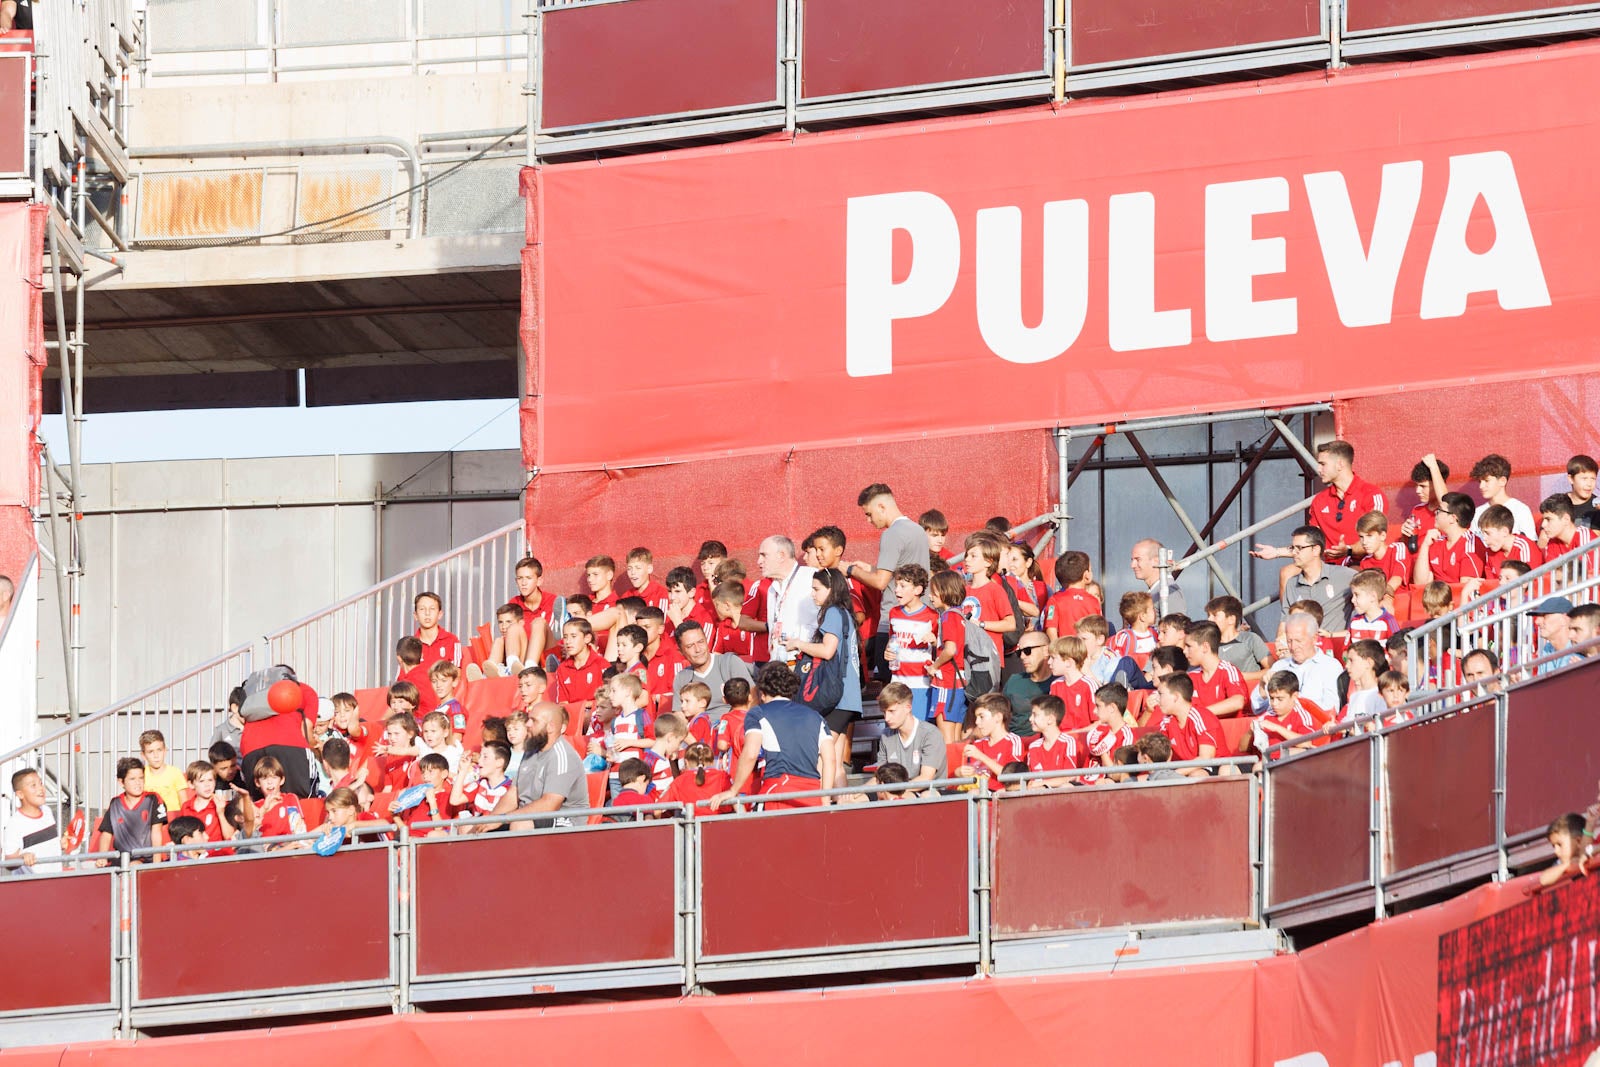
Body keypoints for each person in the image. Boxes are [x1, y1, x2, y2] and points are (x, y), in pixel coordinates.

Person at [710, 663, 837, 810]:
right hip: (813, 793)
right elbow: (830, 759)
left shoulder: (758, 713)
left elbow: (751, 754)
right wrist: (825, 798)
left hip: (779, 791)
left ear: (762, 693)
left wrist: (733, 790)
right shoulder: (816, 716)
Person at [845, 483, 931, 682]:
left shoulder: (891, 534)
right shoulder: (917, 530)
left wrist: (851, 570)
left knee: (891, 689)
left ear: (881, 507)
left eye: (869, 514)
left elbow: (881, 582)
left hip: (894, 623)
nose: (869, 520)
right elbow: (905, 572)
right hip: (921, 619)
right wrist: (870, 568)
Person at [784, 567, 863, 770]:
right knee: (835, 763)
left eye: (816, 589)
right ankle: (842, 801)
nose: (812, 594)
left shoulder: (833, 612)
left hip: (837, 695)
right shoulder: (844, 612)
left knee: (820, 757)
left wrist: (798, 644)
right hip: (848, 696)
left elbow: (828, 651)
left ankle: (821, 800)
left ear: (831, 589)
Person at [509, 702, 589, 830]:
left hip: (565, 821)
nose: (527, 724)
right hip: (527, 816)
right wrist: (491, 819)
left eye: (533, 721)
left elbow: (550, 804)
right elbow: (513, 794)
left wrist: (507, 818)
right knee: (469, 827)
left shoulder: (563, 756)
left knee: (520, 825)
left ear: (550, 727)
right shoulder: (531, 750)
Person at [1263, 527, 1355, 635]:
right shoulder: (1292, 584)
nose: (1294, 552)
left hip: (1334, 648)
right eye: (1293, 548)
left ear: (1316, 550)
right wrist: (1280, 643)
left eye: (1299, 548)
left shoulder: (1345, 576)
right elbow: (1285, 623)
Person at [1253, 612, 1343, 714]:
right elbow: (1257, 708)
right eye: (1289, 641)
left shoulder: (1330, 666)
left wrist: (1292, 705)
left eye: (1299, 641)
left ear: (1314, 639)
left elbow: (1331, 709)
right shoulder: (1280, 666)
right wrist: (1262, 687)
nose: (1293, 646)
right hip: (1275, 724)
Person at [670, 620, 755, 720]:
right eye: (690, 646)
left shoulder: (729, 663)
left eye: (701, 642)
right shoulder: (682, 678)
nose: (698, 649)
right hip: (699, 731)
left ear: (707, 640)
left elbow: (753, 699)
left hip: (733, 726)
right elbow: (679, 716)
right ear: (681, 652)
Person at [883, 563, 936, 720]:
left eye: (903, 585)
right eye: (896, 585)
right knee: (896, 728)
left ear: (918, 590)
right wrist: (887, 652)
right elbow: (892, 640)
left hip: (921, 683)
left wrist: (934, 641)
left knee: (919, 729)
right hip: (898, 682)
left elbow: (942, 648)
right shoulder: (894, 613)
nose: (897, 590)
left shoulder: (932, 616)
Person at [92, 758, 169, 862]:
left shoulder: (153, 800)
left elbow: (157, 832)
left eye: (141, 778)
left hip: (145, 859)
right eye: (132, 779)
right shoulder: (115, 803)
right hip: (121, 859)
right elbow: (106, 833)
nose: (138, 783)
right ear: (121, 782)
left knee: (133, 867)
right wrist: (102, 858)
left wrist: (155, 865)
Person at [875, 681, 947, 788]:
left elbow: (926, 778)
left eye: (891, 711)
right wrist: (857, 793)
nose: (886, 718)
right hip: (893, 791)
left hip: (928, 792)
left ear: (908, 708)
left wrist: (893, 792)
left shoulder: (930, 734)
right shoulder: (886, 735)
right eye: (884, 712)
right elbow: (879, 778)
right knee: (854, 801)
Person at [960, 534, 1017, 666]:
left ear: (988, 562)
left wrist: (981, 624)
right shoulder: (963, 590)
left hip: (988, 659)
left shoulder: (995, 590)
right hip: (966, 658)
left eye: (973, 556)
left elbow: (1010, 624)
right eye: (966, 556)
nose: (967, 560)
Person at [1153, 673, 1224, 778]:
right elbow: (1163, 757)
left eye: (1161, 694)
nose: (1157, 699)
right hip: (1184, 770)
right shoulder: (1167, 721)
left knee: (1196, 775)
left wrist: (1173, 774)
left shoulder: (1201, 717)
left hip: (1213, 768)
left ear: (1176, 697)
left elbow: (1206, 758)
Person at [926, 570, 969, 740]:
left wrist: (934, 666)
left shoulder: (948, 616)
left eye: (934, 591)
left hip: (947, 681)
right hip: (958, 681)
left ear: (945, 591)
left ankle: (949, 767)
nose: (930, 596)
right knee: (956, 736)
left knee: (946, 738)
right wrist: (936, 644)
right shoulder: (960, 615)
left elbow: (951, 650)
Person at [955, 693, 1024, 786]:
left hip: (996, 794)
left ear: (998, 717)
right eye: (976, 717)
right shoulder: (978, 744)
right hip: (973, 791)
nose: (976, 722)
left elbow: (1013, 777)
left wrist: (981, 756)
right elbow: (970, 773)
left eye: (981, 717)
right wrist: (959, 773)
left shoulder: (1013, 741)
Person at [1183, 621, 1248, 718]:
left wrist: (1200, 713)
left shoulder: (1228, 671)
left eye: (1189, 646)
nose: (1184, 651)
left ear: (1205, 647)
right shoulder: (1190, 677)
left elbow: (1238, 702)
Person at [1024, 694, 1085, 790]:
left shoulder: (1068, 742)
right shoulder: (1033, 747)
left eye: (1035, 715)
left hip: (1059, 792)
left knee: (1066, 787)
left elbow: (1068, 777)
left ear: (1050, 719)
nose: (1030, 719)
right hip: (1040, 793)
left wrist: (1043, 784)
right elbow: (1032, 780)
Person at [1469, 453, 1537, 538]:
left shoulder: (1520, 510)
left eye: (1486, 481)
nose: (1481, 486)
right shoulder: (1478, 512)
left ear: (1502, 481)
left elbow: (1530, 543)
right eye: (1480, 481)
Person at [4, 769, 59, 872]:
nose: (41, 789)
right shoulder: (15, 823)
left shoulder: (47, 811)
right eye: (33, 785)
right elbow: (8, 862)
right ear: (20, 794)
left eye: (41, 783)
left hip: (55, 878)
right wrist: (22, 857)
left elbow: (48, 845)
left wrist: (62, 843)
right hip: (32, 884)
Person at [1205, 596, 1273, 680]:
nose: (1209, 619)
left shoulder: (1250, 639)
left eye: (1215, 615)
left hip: (1248, 691)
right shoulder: (1208, 645)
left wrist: (1239, 676)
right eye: (1208, 615)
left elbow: (1272, 670)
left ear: (1231, 619)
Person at [1075, 614, 1148, 691]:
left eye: (1084, 639)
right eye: (1077, 639)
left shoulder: (1110, 659)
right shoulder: (1078, 657)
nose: (1079, 643)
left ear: (1100, 639)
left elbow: (1108, 694)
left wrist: (1088, 673)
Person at [1001, 633, 1053, 737]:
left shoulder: (1058, 683)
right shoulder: (1014, 680)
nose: (1022, 656)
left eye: (1027, 651)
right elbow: (997, 716)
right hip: (1015, 743)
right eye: (1019, 652)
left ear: (1046, 650)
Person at [662, 742, 733, 816]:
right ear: (712, 762)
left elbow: (658, 808)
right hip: (723, 824)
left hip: (692, 825)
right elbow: (737, 803)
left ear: (686, 762)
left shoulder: (679, 781)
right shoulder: (723, 777)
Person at [509, 556, 556, 668]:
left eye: (528, 578)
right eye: (520, 578)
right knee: (513, 628)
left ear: (539, 581)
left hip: (549, 655)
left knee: (539, 623)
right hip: (524, 654)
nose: (523, 583)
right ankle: (511, 668)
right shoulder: (513, 603)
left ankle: (531, 667)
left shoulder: (554, 601)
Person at [1042, 552, 1101, 639]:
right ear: (1086, 575)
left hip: (1064, 650)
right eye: (1090, 570)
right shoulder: (1093, 601)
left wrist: (1055, 649)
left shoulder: (1054, 600)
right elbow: (1099, 629)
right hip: (1087, 650)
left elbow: (1051, 628)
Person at [1045, 636, 1095, 730]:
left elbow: (1099, 722)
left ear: (1068, 662)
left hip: (1082, 740)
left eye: (1053, 658)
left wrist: (1075, 734)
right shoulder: (1055, 685)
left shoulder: (1088, 685)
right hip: (1060, 739)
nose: (1049, 662)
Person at [1355, 511, 1409, 595]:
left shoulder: (1397, 548)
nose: (1364, 542)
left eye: (1369, 536)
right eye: (1361, 537)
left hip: (1400, 601)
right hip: (1377, 604)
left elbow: (1397, 579)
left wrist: (1382, 598)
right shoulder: (1365, 562)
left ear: (1382, 536)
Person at [471, 602, 529, 681]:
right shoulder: (501, 642)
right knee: (498, 640)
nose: (504, 626)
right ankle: (486, 675)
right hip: (504, 674)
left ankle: (510, 666)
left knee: (513, 629)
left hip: (524, 670)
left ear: (521, 623)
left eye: (509, 622)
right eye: (500, 622)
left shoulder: (520, 631)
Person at [1130, 538, 1185, 616]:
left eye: (1138, 559)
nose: (1132, 565)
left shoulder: (1169, 591)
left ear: (1156, 561)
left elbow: (1176, 626)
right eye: (1132, 560)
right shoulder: (1157, 590)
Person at [138, 730, 188, 813]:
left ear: (165, 751)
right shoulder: (141, 775)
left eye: (159, 750)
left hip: (173, 821)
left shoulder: (175, 773)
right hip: (150, 820)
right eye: (151, 752)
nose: (156, 756)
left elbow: (184, 803)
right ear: (143, 755)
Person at [1538, 494, 1597, 561]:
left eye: (1548, 519)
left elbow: (1588, 570)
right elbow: (1549, 571)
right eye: (1543, 520)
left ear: (1566, 519)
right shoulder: (1552, 542)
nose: (1543, 525)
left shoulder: (1584, 537)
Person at [1530, 597, 1581, 673]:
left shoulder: (1582, 648)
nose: (1537, 622)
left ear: (1564, 619)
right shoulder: (1547, 649)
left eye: (1545, 616)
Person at [1347, 570, 1399, 645]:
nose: (1352, 600)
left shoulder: (1389, 621)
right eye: (1352, 595)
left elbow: (1397, 650)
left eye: (1357, 595)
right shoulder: (1355, 621)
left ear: (1373, 597)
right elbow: (1346, 651)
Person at [1539, 813, 1591, 887]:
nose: (1556, 851)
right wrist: (1567, 865)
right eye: (1554, 846)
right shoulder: (1561, 863)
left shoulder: (1592, 853)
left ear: (1578, 841)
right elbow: (1543, 879)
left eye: (1560, 845)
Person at [413, 592, 463, 669]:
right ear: (415, 615)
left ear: (440, 614)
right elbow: (403, 677)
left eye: (432, 609)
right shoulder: (410, 645)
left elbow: (456, 673)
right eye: (422, 609)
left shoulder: (452, 640)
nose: (427, 613)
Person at [1108, 592, 1157, 658]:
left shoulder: (1154, 633)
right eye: (1152, 608)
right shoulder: (1126, 638)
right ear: (1142, 616)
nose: (1155, 611)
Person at [624, 547, 672, 613]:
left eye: (638, 568)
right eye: (629, 568)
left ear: (649, 569)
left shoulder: (661, 594)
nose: (633, 573)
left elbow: (662, 622)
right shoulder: (626, 596)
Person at [1565, 454, 1598, 526]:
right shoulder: (1558, 503)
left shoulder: (1597, 507)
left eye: (1593, 479)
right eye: (1584, 479)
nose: (1589, 484)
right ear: (1571, 479)